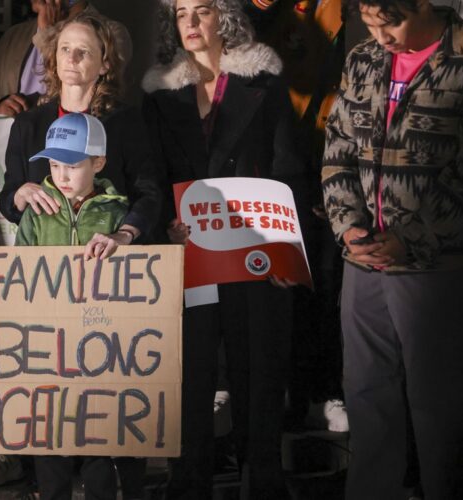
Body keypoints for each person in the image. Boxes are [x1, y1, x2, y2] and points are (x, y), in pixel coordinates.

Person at [0, 10, 160, 493]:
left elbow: (151, 195)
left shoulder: (127, 122)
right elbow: (11, 194)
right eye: (65, 50)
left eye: (84, 51)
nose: (72, 60)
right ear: (51, 58)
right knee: (48, 410)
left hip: (111, 289)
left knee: (102, 415)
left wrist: (125, 235)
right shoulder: (29, 123)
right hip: (48, 295)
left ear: (104, 63)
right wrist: (21, 197)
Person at [320, 0, 463, 497]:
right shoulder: (362, 59)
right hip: (363, 263)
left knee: (440, 407)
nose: (382, 36)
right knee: (365, 397)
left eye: (391, 22)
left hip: (433, 268)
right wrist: (349, 227)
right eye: (372, 23)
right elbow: (337, 148)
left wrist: (409, 238)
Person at [142, 0, 305, 498]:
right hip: (192, 256)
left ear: (226, 19)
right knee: (190, 380)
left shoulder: (265, 84)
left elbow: (289, 170)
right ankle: (187, 485)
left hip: (255, 256)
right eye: (182, 13)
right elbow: (152, 177)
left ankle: (263, 486)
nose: (190, 23)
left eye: (203, 11)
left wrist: (285, 252)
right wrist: (164, 228)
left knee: (257, 376)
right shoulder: (159, 94)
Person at [243, 0, 349, 433]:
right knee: (283, 285)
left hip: (339, 161)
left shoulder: (347, 10)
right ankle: (291, 393)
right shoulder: (257, 10)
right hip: (279, 164)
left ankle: (327, 390)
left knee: (328, 284)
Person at [15, 112, 126, 499]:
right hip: (50, 343)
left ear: (99, 163)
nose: (61, 175)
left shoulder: (117, 212)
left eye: (73, 165)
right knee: (50, 430)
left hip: (101, 343)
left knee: (99, 431)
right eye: (54, 164)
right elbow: (20, 268)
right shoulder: (37, 211)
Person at [0, 0, 132, 117]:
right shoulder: (13, 35)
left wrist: (46, 33)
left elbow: (99, 100)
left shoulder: (111, 33)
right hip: (14, 154)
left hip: (74, 157)